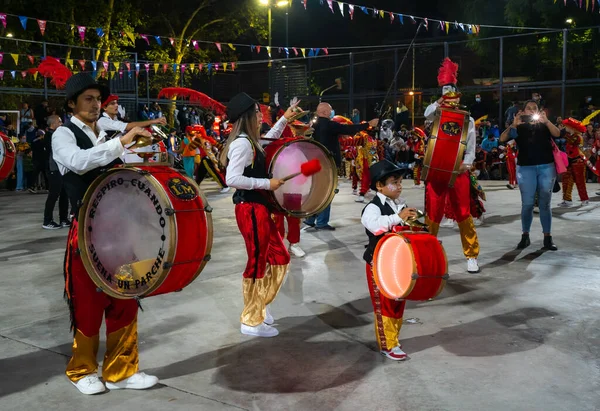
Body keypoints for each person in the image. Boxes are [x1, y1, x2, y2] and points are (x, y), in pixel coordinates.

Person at [52, 72, 158, 394]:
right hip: (86, 233)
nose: (96, 104)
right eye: (88, 99)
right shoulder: (63, 135)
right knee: (86, 303)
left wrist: (139, 149)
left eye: (98, 99)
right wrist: (120, 143)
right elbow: (79, 163)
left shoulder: (106, 129)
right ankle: (82, 369)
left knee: (125, 296)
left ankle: (122, 370)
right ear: (72, 103)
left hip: (120, 230)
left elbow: (123, 150)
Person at [219, 92, 298, 338]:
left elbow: (269, 138)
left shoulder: (250, 140)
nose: (259, 115)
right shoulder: (242, 143)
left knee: (280, 257)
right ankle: (251, 320)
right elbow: (232, 179)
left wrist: (284, 119)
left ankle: (259, 306)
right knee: (257, 262)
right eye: (256, 112)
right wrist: (267, 184)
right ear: (248, 116)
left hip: (258, 208)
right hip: (250, 208)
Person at [423, 58, 480, 274]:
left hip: (458, 173)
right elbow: (427, 113)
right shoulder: (435, 115)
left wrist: (466, 164)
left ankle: (472, 255)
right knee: (433, 214)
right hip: (437, 172)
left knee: (463, 212)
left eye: (452, 95)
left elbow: (471, 147)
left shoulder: (468, 119)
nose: (449, 99)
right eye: (446, 95)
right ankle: (427, 254)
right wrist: (438, 102)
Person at [360, 160, 417, 361]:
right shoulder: (372, 208)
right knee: (383, 303)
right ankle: (388, 344)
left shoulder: (399, 204)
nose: (399, 186)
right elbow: (375, 227)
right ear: (379, 186)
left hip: (396, 262)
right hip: (378, 262)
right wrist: (398, 217)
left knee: (398, 301)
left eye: (400, 181)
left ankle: (394, 339)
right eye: (394, 181)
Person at [305, 102, 378, 229]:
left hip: (315, 162)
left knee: (317, 191)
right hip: (327, 164)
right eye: (330, 110)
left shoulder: (313, 125)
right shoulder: (329, 125)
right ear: (325, 112)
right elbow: (348, 129)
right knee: (327, 191)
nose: (331, 112)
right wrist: (368, 124)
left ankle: (311, 218)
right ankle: (321, 222)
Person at [499, 100, 561, 250]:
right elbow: (502, 139)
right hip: (526, 168)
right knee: (527, 204)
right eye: (529, 108)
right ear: (524, 112)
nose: (532, 111)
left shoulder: (544, 125)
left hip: (546, 166)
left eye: (535, 108)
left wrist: (546, 121)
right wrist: (513, 125)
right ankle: (525, 236)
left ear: (539, 111)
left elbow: (557, 134)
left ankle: (547, 237)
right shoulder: (519, 126)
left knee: (545, 203)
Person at [43, 115, 70, 229]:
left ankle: (63, 218)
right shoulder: (50, 136)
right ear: (53, 124)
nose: (61, 123)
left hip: (60, 168)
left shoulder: (55, 135)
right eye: (59, 122)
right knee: (54, 195)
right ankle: (47, 221)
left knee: (64, 194)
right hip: (53, 169)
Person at [98, 95, 166, 139]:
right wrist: (154, 121)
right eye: (113, 104)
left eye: (116, 103)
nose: (116, 105)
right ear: (104, 107)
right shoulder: (103, 121)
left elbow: (131, 125)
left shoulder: (117, 119)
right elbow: (128, 126)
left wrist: (151, 125)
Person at [558, 118, 589, 207]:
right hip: (569, 161)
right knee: (566, 180)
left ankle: (584, 199)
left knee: (580, 181)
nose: (565, 128)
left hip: (578, 161)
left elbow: (572, 141)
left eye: (567, 126)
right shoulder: (569, 135)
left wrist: (562, 132)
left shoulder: (578, 137)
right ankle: (567, 200)